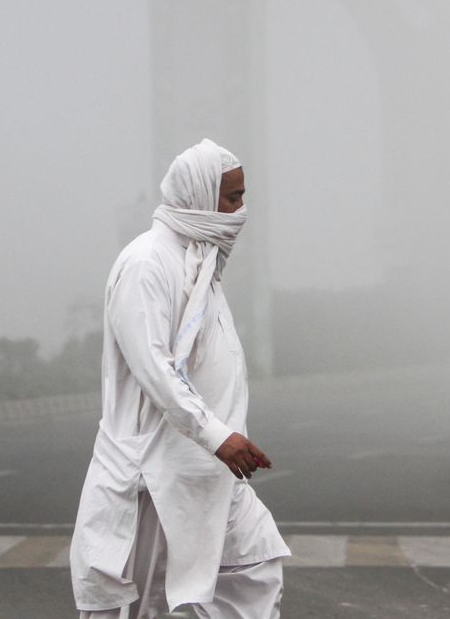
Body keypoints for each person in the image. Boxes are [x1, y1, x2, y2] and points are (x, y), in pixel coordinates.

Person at [70, 139, 290, 619]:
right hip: (151, 472)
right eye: (232, 197)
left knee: (256, 570)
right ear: (199, 194)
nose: (241, 209)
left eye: (242, 195)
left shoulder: (200, 260)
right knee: (136, 606)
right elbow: (154, 368)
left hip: (207, 468)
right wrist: (216, 435)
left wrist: (219, 441)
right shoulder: (148, 262)